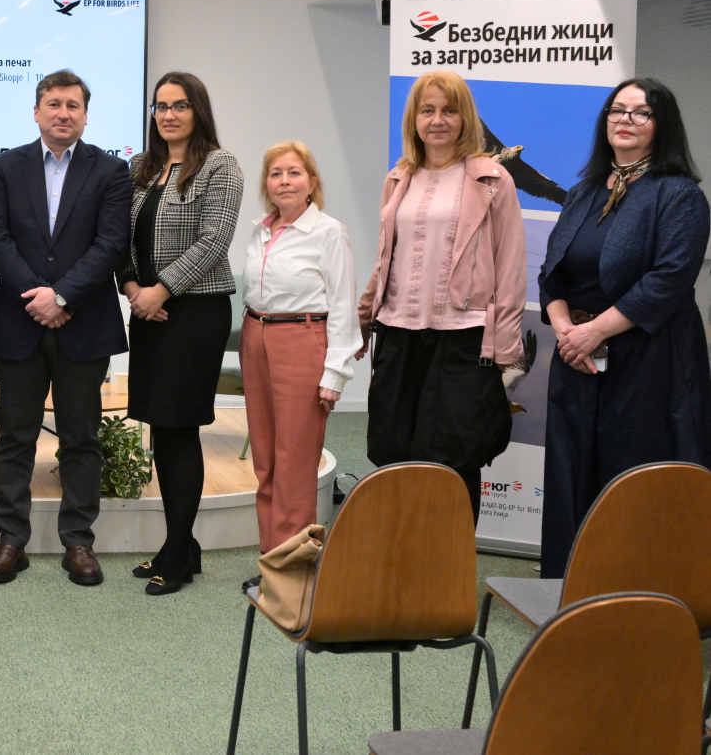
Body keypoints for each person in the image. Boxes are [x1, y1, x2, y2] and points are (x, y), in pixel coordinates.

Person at [537, 77, 711, 577]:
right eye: (617, 110)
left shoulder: (679, 195)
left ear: (662, 125)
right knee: (571, 472)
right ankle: (569, 590)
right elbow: (552, 273)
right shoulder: (583, 192)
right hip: (578, 355)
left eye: (641, 112)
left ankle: (636, 600)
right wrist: (567, 329)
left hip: (647, 359)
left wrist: (597, 332)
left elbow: (668, 279)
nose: (625, 120)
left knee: (631, 475)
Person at [0, 69, 131, 586]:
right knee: (14, 436)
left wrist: (62, 296)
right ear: (36, 111)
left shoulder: (111, 171)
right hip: (19, 323)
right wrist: (39, 297)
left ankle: (78, 542)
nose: (63, 113)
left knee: (81, 437)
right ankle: (10, 540)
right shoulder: (5, 166)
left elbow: (110, 243)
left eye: (73, 105)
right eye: (54, 104)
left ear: (85, 115)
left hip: (83, 324)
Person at [357, 70, 526, 523]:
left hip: (463, 338)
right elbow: (386, 257)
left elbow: (511, 265)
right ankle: (400, 559)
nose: (437, 120)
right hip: (399, 332)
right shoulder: (399, 177)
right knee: (394, 450)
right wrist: (364, 316)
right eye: (427, 110)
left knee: (454, 456)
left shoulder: (493, 179)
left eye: (449, 110)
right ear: (413, 119)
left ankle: (449, 561)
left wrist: (506, 347)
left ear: (465, 117)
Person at [118, 72, 243, 595]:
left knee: (180, 427)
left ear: (198, 111)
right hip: (147, 311)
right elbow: (121, 238)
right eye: (161, 106)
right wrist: (132, 287)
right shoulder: (141, 169)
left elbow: (214, 241)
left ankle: (177, 552)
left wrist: (162, 290)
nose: (168, 115)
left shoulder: (219, 166)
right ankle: (182, 544)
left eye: (180, 105)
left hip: (193, 313)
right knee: (162, 428)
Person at [240, 141, 359, 561]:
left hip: (301, 341)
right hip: (255, 337)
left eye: (294, 172)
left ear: (312, 182)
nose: (284, 181)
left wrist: (335, 373)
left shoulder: (328, 231)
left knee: (294, 461)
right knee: (266, 458)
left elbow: (343, 305)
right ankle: (271, 557)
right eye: (275, 173)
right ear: (266, 185)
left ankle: (291, 565)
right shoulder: (261, 230)